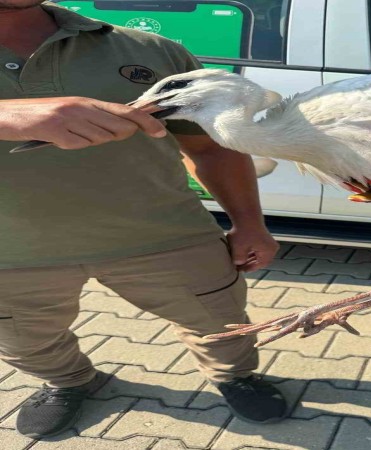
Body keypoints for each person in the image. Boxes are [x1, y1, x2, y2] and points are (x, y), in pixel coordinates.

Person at [0, 0, 287, 439]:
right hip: (11, 255)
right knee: (26, 342)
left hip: (166, 235)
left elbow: (211, 148)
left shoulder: (151, 50)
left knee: (222, 324)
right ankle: (67, 381)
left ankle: (235, 377)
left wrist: (249, 223)